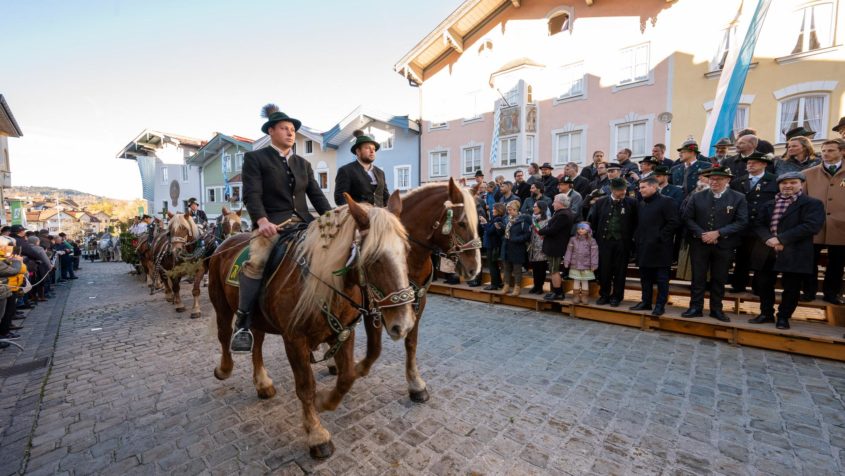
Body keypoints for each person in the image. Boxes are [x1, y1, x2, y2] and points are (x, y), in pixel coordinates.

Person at [232, 104, 332, 353]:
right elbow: (252, 194)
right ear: (271, 131)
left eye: (292, 130)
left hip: (305, 223)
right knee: (256, 262)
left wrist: (332, 219)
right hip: (273, 225)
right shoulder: (255, 158)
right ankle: (243, 321)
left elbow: (317, 197)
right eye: (284, 128)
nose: (290, 133)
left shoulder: (303, 164)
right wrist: (262, 221)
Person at [749, 172, 824, 329]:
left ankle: (783, 316)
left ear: (801, 184)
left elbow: (811, 226)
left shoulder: (812, 204)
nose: (788, 186)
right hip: (767, 250)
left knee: (791, 287)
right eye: (784, 183)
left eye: (793, 182)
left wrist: (782, 239)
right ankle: (766, 313)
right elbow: (758, 224)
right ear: (779, 185)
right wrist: (768, 239)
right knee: (764, 284)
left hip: (795, 251)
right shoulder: (769, 204)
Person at [681, 166, 748, 321]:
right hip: (700, 243)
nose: (714, 182)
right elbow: (687, 218)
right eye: (712, 179)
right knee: (698, 277)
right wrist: (701, 234)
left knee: (719, 278)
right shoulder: (698, 196)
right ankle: (695, 307)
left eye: (719, 179)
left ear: (727, 180)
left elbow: (742, 221)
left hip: (724, 244)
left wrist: (718, 233)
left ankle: (716, 309)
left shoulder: (738, 197)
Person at [801, 138, 845, 304]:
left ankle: (832, 294)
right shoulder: (808, 174)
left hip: (841, 227)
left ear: (842, 152)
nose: (826, 154)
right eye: (824, 150)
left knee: (837, 263)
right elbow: (802, 201)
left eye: (831, 150)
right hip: (814, 225)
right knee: (809, 261)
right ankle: (809, 291)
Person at [728, 152, 778, 293]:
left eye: (754, 162)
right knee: (741, 257)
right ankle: (739, 285)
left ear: (764, 164)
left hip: (763, 226)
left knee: (762, 259)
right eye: (748, 162)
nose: (750, 165)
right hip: (742, 226)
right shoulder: (738, 181)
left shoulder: (774, 180)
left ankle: (759, 287)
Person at [631, 177, 680, 315]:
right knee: (645, 277)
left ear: (654, 187)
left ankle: (660, 305)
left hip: (660, 249)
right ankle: (645, 302)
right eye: (640, 188)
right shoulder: (641, 204)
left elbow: (674, 222)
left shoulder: (667, 201)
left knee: (662, 279)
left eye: (643, 187)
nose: (640, 191)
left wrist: (659, 237)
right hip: (644, 247)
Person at [588, 178, 638, 307]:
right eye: (619, 190)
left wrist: (632, 240)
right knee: (604, 270)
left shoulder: (632, 203)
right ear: (612, 190)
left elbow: (636, 223)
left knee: (620, 271)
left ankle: (617, 296)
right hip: (604, 242)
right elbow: (593, 221)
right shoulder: (600, 202)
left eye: (624, 190)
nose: (622, 192)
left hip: (623, 243)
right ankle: (604, 295)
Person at [334, 130, 390, 206]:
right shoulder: (346, 171)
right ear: (358, 151)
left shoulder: (380, 172)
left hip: (380, 216)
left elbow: (385, 196)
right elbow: (340, 198)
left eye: (373, 149)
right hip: (357, 216)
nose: (372, 151)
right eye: (367, 148)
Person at [540, 194, 574, 301]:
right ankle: (555, 291)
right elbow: (550, 226)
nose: (553, 203)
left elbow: (553, 230)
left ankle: (559, 293)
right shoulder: (561, 213)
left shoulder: (563, 214)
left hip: (556, 247)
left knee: (554, 270)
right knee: (552, 270)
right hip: (553, 245)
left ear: (560, 203)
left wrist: (541, 231)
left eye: (555, 201)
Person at [498, 200, 531, 297]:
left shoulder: (522, 220)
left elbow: (527, 235)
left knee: (517, 269)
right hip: (506, 246)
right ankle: (506, 286)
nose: (509, 211)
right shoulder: (507, 219)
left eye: (511, 210)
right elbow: (506, 232)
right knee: (506, 268)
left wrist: (516, 239)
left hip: (517, 248)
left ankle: (517, 287)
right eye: (508, 209)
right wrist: (500, 229)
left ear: (516, 210)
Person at [563, 222, 598, 304]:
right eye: (579, 229)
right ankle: (576, 296)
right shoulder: (573, 239)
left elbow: (594, 254)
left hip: (586, 265)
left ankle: (585, 296)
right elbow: (569, 251)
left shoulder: (592, 241)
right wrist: (567, 260)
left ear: (588, 229)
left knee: (585, 281)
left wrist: (594, 264)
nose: (580, 230)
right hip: (575, 264)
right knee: (576, 280)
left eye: (582, 228)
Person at [0, 236, 25, 345]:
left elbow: (21, 270)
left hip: (11, 287)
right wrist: (17, 262)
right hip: (7, 287)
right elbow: (14, 271)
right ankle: (4, 333)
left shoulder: (5, 257)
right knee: (5, 313)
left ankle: (5, 331)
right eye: (9, 246)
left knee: (8, 311)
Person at [482, 203, 506, 291]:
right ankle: (499, 282)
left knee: (492, 266)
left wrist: (485, 223)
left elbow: (489, 231)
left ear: (498, 210)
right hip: (493, 245)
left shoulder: (498, 219)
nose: (492, 210)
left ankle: (494, 284)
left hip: (492, 245)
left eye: (494, 209)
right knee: (494, 265)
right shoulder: (496, 219)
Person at [527, 201, 549, 294]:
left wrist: (535, 224)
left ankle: (540, 287)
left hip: (541, 247)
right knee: (535, 268)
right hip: (533, 247)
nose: (534, 208)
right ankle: (535, 286)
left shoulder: (547, 220)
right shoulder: (533, 219)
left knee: (541, 268)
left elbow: (543, 233)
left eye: (536, 207)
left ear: (541, 208)